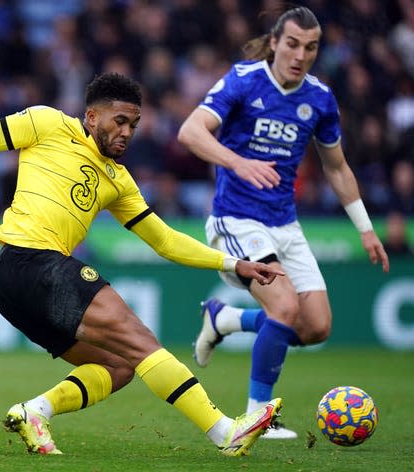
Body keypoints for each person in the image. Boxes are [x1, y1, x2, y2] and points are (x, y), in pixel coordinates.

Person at [0, 72, 284, 457]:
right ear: (92, 117)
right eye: (120, 121)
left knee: (119, 365)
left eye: (134, 124)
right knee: (141, 340)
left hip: (14, 285)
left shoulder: (119, 180)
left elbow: (164, 241)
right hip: (28, 261)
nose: (127, 132)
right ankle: (223, 431)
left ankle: (34, 412)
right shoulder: (47, 123)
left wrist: (234, 263)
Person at [177, 7, 390, 440]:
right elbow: (191, 131)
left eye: (310, 47)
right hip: (235, 218)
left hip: (285, 226)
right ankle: (258, 416)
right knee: (285, 307)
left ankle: (225, 320)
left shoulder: (320, 99)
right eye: (292, 44)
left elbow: (337, 168)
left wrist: (366, 228)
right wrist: (239, 162)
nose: (300, 55)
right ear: (275, 42)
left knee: (314, 327)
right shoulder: (244, 79)